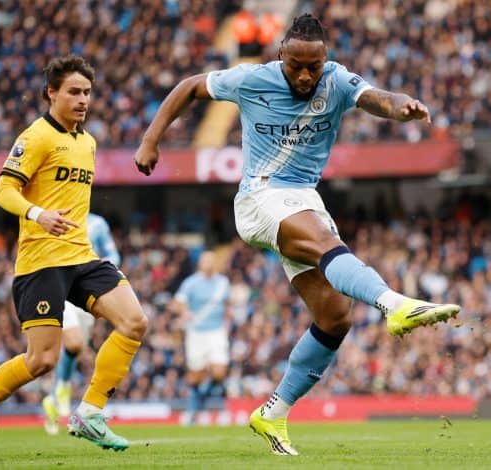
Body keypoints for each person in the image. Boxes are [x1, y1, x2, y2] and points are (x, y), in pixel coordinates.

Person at [134, 14, 461, 455]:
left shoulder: (336, 81)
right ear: (281, 56)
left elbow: (377, 98)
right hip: (260, 196)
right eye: (296, 66)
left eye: (314, 66)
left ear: (325, 59)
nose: (306, 76)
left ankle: (274, 412)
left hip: (304, 199)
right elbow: (191, 86)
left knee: (335, 316)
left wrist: (403, 106)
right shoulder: (251, 79)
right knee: (328, 247)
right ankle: (394, 304)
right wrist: (151, 139)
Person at [0, 55, 148, 457]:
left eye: (87, 92)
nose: (83, 100)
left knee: (134, 322)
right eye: (74, 92)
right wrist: (38, 214)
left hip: (82, 256)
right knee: (41, 360)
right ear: (51, 93)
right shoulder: (36, 136)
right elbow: (3, 190)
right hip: (41, 262)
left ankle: (90, 412)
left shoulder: (88, 142)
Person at [41, 212, 121, 435]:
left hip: (88, 290)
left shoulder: (98, 223)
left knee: (75, 349)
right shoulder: (54, 216)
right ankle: (62, 389)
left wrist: (103, 269)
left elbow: (113, 254)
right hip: (62, 287)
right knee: (74, 342)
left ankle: (54, 397)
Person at [169, 249, 231, 426]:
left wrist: (228, 323)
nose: (208, 264)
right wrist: (184, 312)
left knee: (219, 373)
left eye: (211, 261)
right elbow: (177, 303)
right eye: (205, 261)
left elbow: (227, 305)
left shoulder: (223, 282)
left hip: (217, 331)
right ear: (200, 264)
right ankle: (193, 410)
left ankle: (197, 406)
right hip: (196, 333)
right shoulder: (191, 283)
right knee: (195, 377)